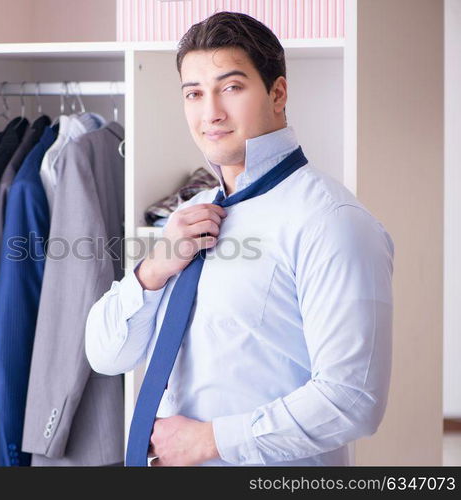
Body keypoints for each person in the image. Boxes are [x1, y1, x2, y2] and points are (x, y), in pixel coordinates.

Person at [85, 12, 394, 466]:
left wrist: (210, 441)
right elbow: (106, 355)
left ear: (278, 93)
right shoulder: (189, 220)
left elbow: (352, 399)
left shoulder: (332, 222)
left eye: (231, 87)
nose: (210, 112)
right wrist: (152, 271)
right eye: (194, 93)